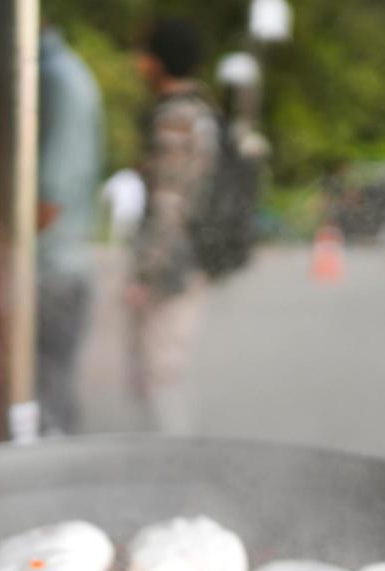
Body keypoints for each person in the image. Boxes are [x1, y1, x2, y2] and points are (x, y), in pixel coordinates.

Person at [126, 17, 218, 433]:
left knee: (159, 375)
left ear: (159, 61)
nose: (138, 63)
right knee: (168, 371)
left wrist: (146, 274)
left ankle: (171, 469)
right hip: (190, 260)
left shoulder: (175, 117)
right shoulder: (200, 110)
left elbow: (169, 204)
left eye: (145, 54)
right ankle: (171, 462)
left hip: (172, 268)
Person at [36, 21, 103, 435]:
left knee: (47, 393)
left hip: (53, 268)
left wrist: (7, 252)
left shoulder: (57, 79)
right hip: (62, 265)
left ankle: (56, 482)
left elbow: (51, 196)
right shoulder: (65, 73)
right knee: (51, 388)